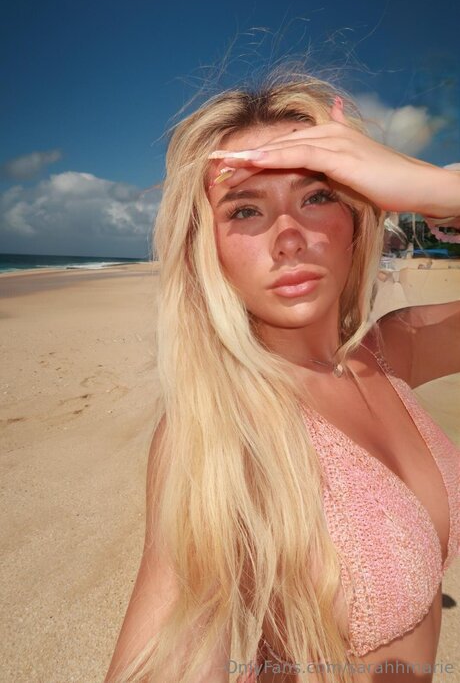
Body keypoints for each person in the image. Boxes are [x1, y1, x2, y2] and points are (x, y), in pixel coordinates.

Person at [104, 69, 460, 683]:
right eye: (245, 209)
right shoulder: (221, 426)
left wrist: (439, 189)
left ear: (357, 219)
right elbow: (166, 655)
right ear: (208, 248)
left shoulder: (393, 350)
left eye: (316, 197)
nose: (289, 238)